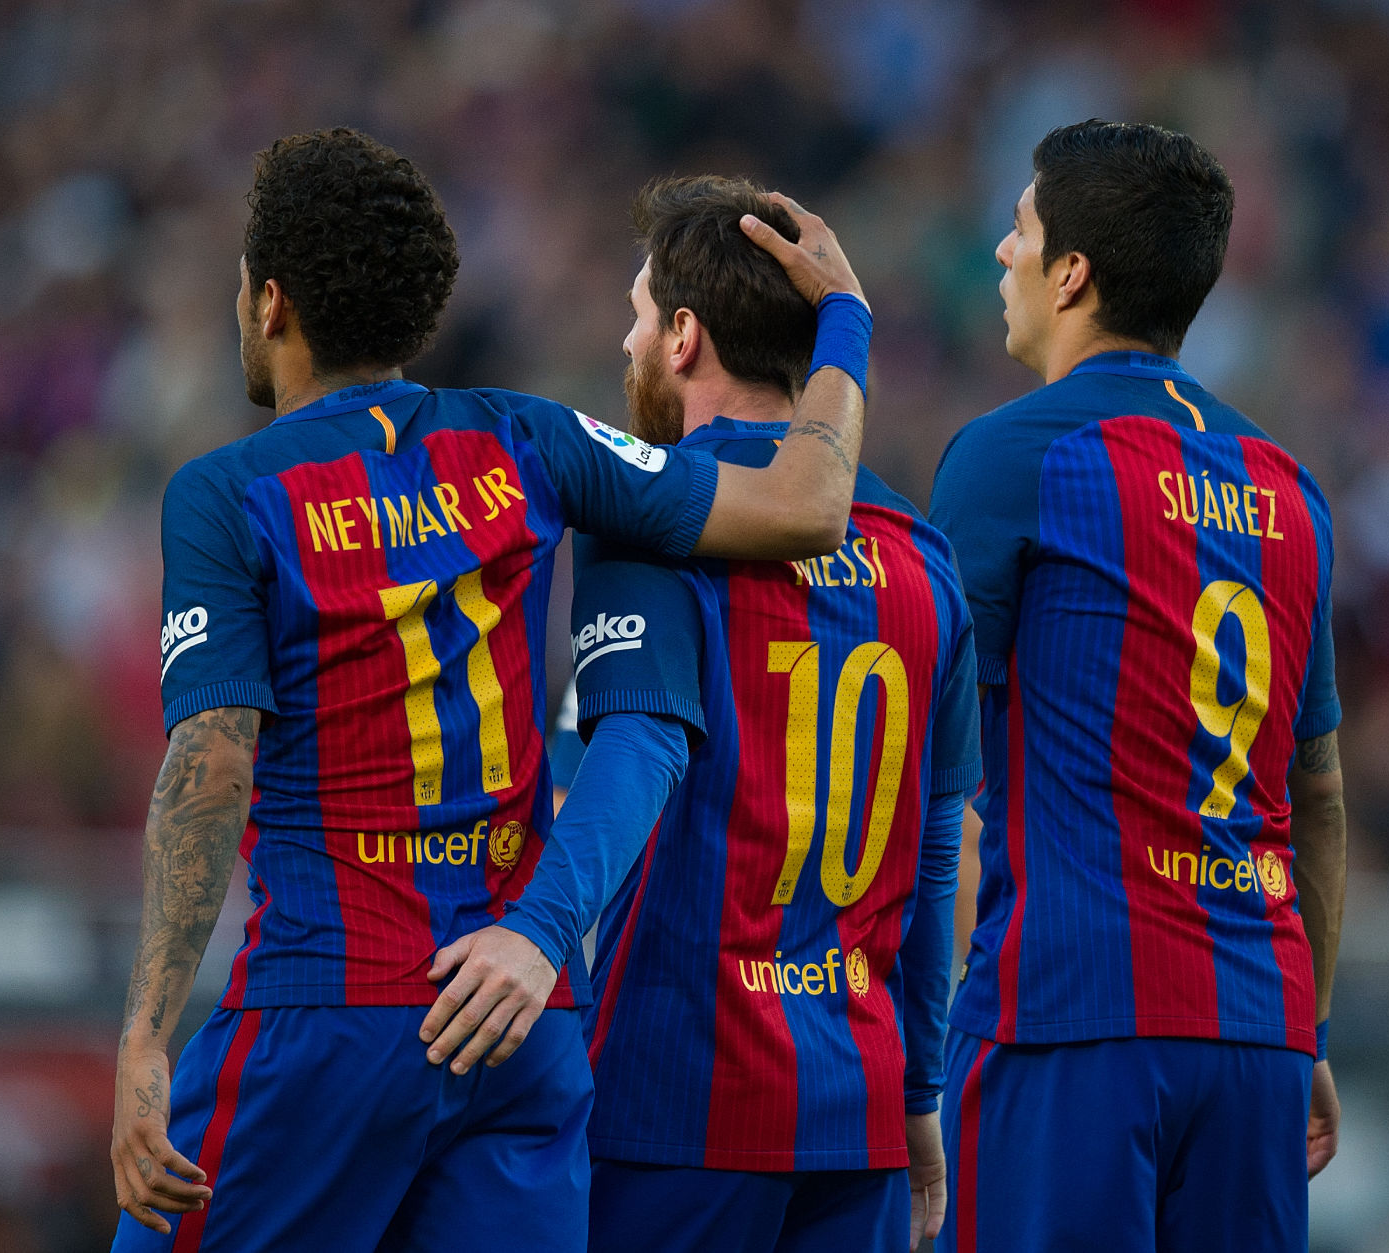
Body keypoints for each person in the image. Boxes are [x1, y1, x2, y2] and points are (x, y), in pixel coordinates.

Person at [108, 129, 873, 1253]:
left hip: (326, 1015)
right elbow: (810, 504)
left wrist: (144, 1035)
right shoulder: (532, 437)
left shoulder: (227, 494)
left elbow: (211, 762)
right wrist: (844, 315)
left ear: (271, 302)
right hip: (520, 1021)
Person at [421, 175, 981, 1253]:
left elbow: (640, 746)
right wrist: (919, 1088)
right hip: (856, 1110)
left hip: (682, 1098)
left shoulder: (657, 511)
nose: (626, 344)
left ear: (684, 337)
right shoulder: (926, 558)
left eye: (638, 317)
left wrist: (538, 927)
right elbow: (938, 849)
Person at [928, 120, 1346, 1252]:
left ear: (1071, 273)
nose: (1003, 251)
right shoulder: (1290, 486)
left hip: (1072, 1018)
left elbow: (919, 756)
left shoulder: (1014, 455)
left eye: (1020, 229)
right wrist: (1305, 1028)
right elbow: (1317, 793)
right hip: (1258, 1027)